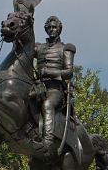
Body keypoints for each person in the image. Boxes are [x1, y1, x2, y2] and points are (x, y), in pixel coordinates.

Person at [32, 16, 76, 150]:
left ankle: (48, 141)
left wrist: (49, 73)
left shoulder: (66, 48)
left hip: (54, 90)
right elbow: (24, 50)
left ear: (60, 29)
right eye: (49, 27)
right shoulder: (38, 48)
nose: (52, 30)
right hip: (37, 87)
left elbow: (68, 73)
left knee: (47, 104)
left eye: (54, 27)